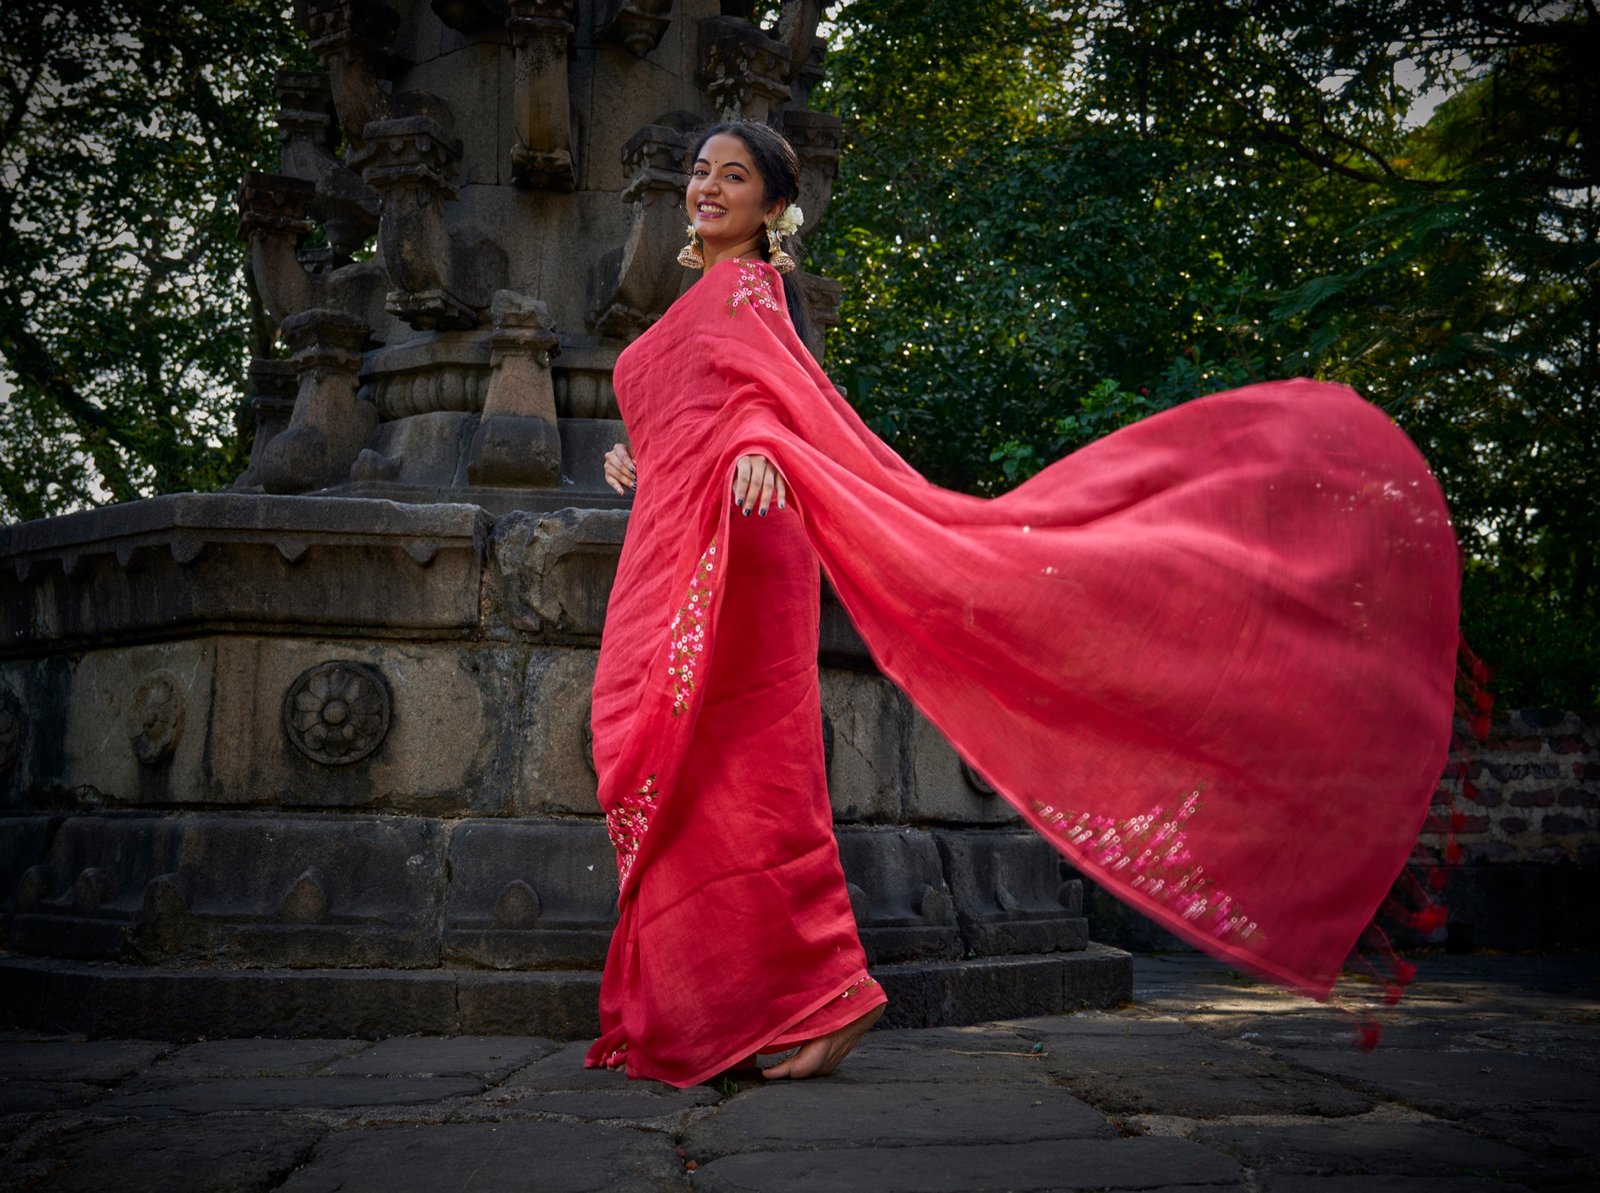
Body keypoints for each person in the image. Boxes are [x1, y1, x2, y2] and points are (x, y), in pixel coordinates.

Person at [585, 120, 1461, 1088]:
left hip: (745, 542)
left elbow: (779, 407)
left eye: (734, 175)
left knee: (749, 775)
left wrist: (758, 445)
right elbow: (694, 410)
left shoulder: (752, 296)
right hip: (678, 547)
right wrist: (639, 456)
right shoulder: (702, 299)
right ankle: (751, 999)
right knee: (693, 774)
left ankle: (825, 989)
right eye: (701, 172)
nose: (707, 187)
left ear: (772, 208)